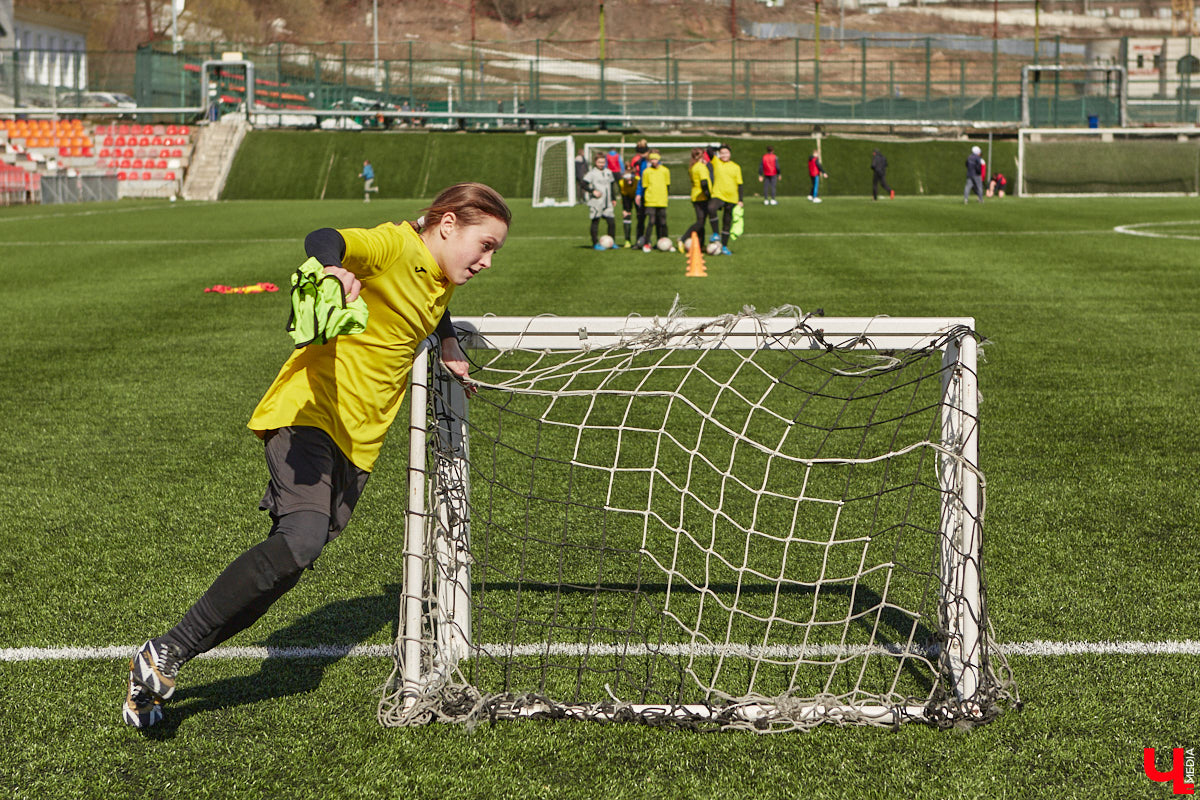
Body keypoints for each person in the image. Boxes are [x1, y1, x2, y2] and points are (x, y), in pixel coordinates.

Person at [120, 182, 512, 730]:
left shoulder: (439, 277)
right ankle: (169, 648)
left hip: (359, 440)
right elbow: (326, 237)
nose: (488, 260)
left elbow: (425, 303)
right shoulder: (395, 245)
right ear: (447, 225)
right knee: (299, 542)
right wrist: (332, 269)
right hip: (309, 413)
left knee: (290, 562)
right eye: (485, 244)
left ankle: (162, 663)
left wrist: (446, 338)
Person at [678, 147, 714, 253]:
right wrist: (708, 195)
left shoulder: (692, 167)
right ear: (702, 156)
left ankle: (701, 244)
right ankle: (683, 239)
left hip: (695, 196)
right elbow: (704, 183)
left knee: (701, 222)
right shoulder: (700, 167)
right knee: (700, 222)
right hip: (701, 197)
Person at [710, 144, 744, 255]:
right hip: (718, 194)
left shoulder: (736, 167)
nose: (724, 155)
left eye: (726, 153)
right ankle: (715, 233)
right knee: (711, 208)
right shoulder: (716, 162)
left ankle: (724, 246)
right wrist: (719, 147)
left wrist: (740, 200)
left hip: (732, 198)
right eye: (722, 153)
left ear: (730, 154)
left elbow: (740, 185)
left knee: (727, 222)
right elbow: (709, 150)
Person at [637, 150, 670, 252]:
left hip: (662, 200)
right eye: (652, 159)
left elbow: (667, 185)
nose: (654, 161)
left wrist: (665, 196)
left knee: (663, 222)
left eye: (655, 159)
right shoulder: (646, 172)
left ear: (659, 159)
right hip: (650, 200)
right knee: (651, 221)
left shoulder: (665, 171)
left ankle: (664, 242)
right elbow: (645, 186)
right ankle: (647, 243)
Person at [582, 153, 617, 249]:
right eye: (599, 162)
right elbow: (583, 184)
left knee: (611, 222)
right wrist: (593, 191)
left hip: (608, 202)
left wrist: (613, 198)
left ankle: (612, 242)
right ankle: (595, 243)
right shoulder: (592, 173)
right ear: (595, 162)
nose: (601, 164)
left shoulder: (608, 172)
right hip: (597, 202)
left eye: (603, 162)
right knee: (595, 221)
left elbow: (611, 185)